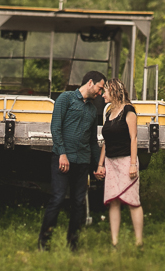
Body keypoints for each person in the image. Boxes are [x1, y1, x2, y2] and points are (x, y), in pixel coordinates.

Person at [38, 70, 107, 251]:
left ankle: (73, 243)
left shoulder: (93, 110)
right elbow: (56, 127)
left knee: (78, 203)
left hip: (82, 162)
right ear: (90, 82)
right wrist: (62, 153)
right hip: (62, 160)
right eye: (100, 88)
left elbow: (92, 141)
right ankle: (44, 242)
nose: (100, 93)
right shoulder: (66, 98)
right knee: (58, 198)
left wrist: (98, 166)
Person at [97, 78, 144, 247]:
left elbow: (133, 138)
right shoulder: (109, 112)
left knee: (133, 201)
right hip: (111, 162)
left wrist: (133, 164)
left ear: (114, 91)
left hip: (126, 161)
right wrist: (100, 164)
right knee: (113, 202)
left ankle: (139, 242)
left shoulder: (128, 111)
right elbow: (106, 141)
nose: (103, 95)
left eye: (106, 91)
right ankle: (115, 243)